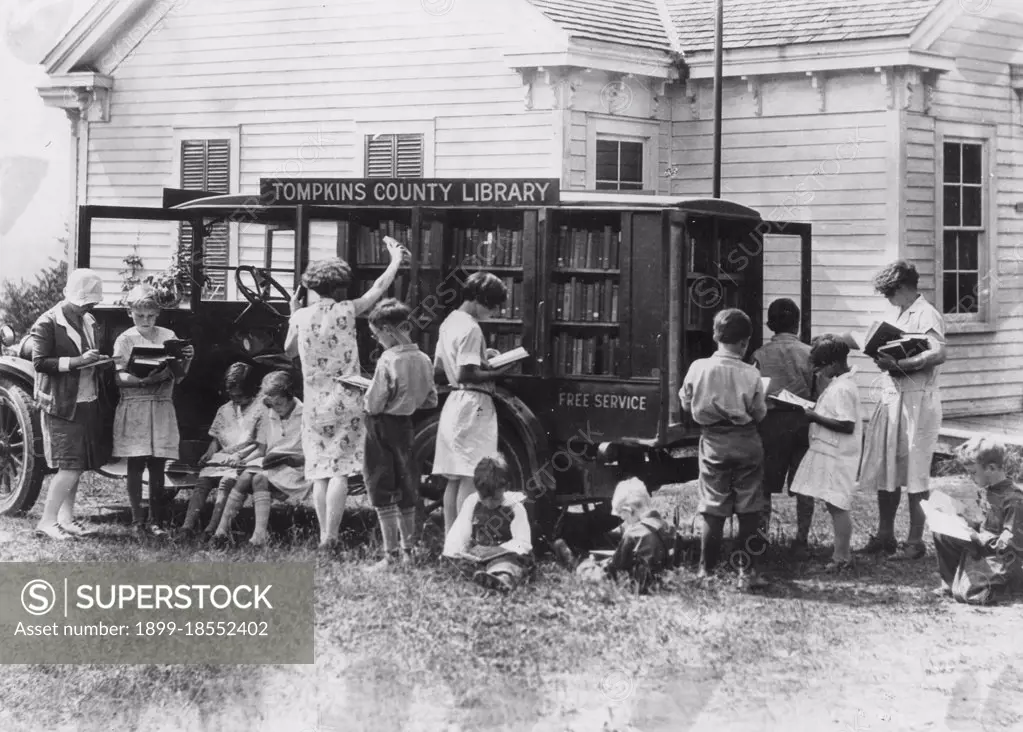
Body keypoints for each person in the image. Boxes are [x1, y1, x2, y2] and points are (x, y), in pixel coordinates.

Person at [285, 239, 405, 550]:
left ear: (312, 286)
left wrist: (292, 313)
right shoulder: (348, 310)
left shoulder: (301, 317)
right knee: (339, 469)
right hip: (347, 398)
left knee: (320, 471)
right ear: (340, 286)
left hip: (314, 403)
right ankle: (331, 537)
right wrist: (394, 260)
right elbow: (378, 289)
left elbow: (288, 351)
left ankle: (325, 535)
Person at [858, 261, 947, 560]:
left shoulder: (926, 312)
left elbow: (938, 352)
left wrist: (901, 364)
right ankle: (885, 535)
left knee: (916, 471)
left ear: (901, 288)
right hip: (894, 396)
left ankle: (914, 541)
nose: (887, 300)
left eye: (889, 294)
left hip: (918, 400)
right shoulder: (895, 312)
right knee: (889, 467)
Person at [679, 308, 769, 591]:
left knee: (713, 505)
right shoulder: (751, 373)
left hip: (714, 441)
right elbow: (759, 413)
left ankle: (707, 571)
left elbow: (685, 402)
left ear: (716, 336)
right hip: (746, 440)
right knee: (749, 506)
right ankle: (748, 572)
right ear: (744, 342)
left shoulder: (698, 367)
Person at [31, 268, 116, 540]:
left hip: (86, 399)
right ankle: (46, 521)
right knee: (68, 465)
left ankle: (65, 518)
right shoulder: (47, 323)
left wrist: (99, 361)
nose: (87, 308)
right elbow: (40, 363)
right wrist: (78, 362)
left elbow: (86, 354)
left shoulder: (89, 320)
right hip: (61, 404)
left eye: (91, 304)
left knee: (76, 465)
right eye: (84, 303)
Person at [433, 272, 514, 534]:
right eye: (491, 305)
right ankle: (463, 539)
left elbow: (439, 370)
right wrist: (499, 371)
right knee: (472, 476)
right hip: (474, 404)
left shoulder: (449, 323)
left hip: (455, 404)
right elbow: (467, 374)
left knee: (454, 479)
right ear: (478, 300)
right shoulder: (471, 328)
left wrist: (481, 360)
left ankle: (450, 539)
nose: (493, 311)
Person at [112, 284, 195, 537]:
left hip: (160, 404)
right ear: (130, 313)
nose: (146, 320)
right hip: (136, 405)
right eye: (140, 316)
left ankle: (156, 519)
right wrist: (142, 381)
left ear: (158, 314)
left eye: (150, 316)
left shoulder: (168, 335)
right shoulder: (125, 339)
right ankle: (138, 520)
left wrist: (187, 358)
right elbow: (118, 377)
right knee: (136, 463)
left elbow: (179, 377)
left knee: (158, 464)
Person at [362, 298, 438, 569]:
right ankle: (409, 551)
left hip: (381, 427)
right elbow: (430, 401)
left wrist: (364, 395)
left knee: (381, 486)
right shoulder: (424, 359)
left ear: (387, 330)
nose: (377, 340)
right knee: (407, 487)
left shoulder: (388, 359)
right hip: (407, 426)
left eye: (377, 334)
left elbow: (373, 403)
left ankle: (390, 555)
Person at [788, 335, 863, 571]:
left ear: (833, 364)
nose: (819, 373)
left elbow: (846, 424)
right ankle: (841, 555)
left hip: (839, 455)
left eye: (821, 368)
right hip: (832, 452)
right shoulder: (840, 384)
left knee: (838, 505)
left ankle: (842, 557)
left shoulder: (841, 388)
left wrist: (813, 416)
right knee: (833, 504)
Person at [212, 371, 310, 547]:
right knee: (245, 476)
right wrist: (247, 459)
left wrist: (287, 458)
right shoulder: (270, 411)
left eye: (279, 403)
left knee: (259, 478)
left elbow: (308, 451)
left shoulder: (304, 414)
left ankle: (259, 535)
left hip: (298, 467)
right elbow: (263, 447)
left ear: (290, 396)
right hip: (273, 463)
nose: (276, 408)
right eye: (272, 404)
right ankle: (221, 532)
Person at [752, 298, 814, 554]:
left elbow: (754, 390)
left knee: (764, 484)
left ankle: (761, 536)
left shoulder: (759, 355)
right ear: (798, 324)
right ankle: (801, 538)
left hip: (771, 422)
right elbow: (817, 390)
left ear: (769, 325)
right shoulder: (809, 353)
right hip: (801, 422)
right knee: (803, 484)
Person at [932, 437, 1023, 604]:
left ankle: (1008, 590)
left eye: (973, 472)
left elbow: (1011, 545)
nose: (970, 477)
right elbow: (985, 526)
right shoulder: (988, 492)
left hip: (1005, 561)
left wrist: (978, 538)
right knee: (942, 531)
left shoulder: (1013, 499)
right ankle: (950, 583)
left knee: (972, 595)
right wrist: (962, 521)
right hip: (985, 550)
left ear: (992, 468)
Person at [179, 362, 263, 537]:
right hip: (223, 458)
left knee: (226, 482)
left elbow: (261, 442)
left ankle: (212, 528)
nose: (236, 400)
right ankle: (187, 526)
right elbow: (216, 438)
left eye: (240, 396)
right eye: (232, 396)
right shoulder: (225, 409)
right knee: (203, 482)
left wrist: (240, 456)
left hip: (246, 459)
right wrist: (208, 454)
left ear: (251, 390)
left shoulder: (260, 409)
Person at [442, 455, 533, 593]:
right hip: (480, 556)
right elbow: (460, 533)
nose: (489, 504)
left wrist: (498, 550)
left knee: (509, 564)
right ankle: (483, 577)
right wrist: (459, 551)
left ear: (505, 487)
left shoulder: (514, 507)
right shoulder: (472, 502)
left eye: (496, 499)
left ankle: (502, 580)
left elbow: (523, 542)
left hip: (506, 555)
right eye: (484, 498)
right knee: (463, 565)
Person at [601, 478, 680, 593]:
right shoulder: (666, 525)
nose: (626, 522)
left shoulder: (633, 533)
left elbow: (617, 564)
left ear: (628, 510)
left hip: (645, 589)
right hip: (670, 582)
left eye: (625, 518)